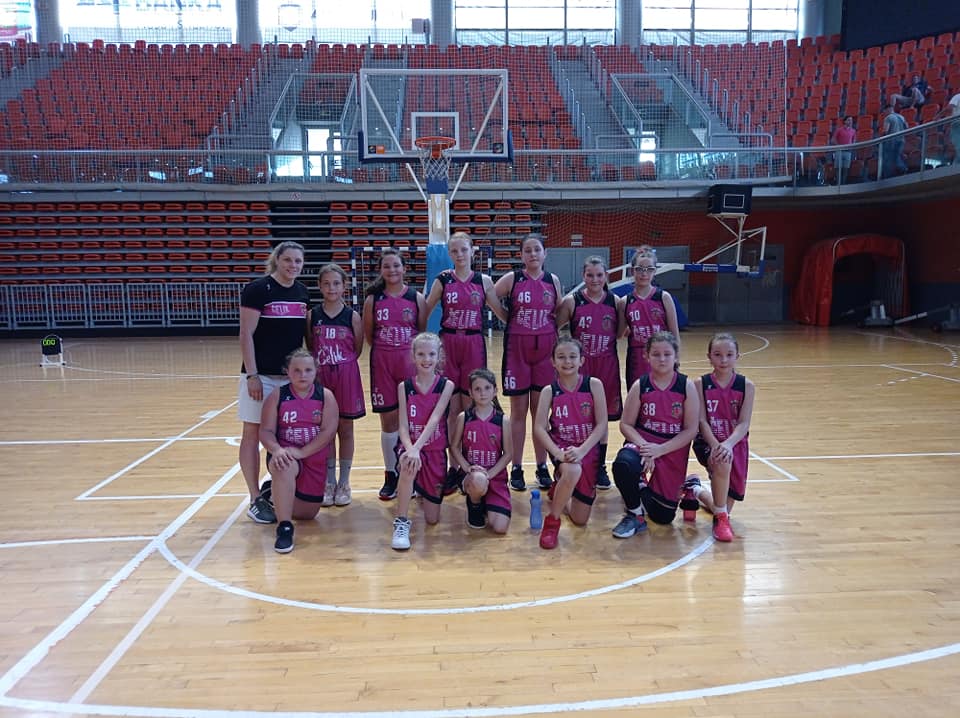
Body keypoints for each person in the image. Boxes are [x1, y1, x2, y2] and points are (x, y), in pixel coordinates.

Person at [424, 231, 507, 491]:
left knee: (472, 407)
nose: (459, 254)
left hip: (473, 343)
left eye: (463, 249)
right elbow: (424, 310)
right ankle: (455, 467)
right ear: (449, 254)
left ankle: (473, 466)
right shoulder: (442, 280)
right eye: (454, 251)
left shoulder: (483, 281)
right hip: (448, 344)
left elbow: (501, 313)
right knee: (451, 410)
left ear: (473, 251)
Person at [238, 240, 310, 525]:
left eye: (298, 261)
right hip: (262, 376)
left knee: (282, 437)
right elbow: (246, 334)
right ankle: (255, 498)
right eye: (288, 260)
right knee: (252, 433)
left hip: (289, 379)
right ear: (277, 260)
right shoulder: (258, 289)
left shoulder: (302, 292)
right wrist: (252, 375)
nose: (293, 265)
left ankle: (274, 487)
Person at [610, 331, 699, 538]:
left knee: (662, 516)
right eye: (656, 354)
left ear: (676, 356)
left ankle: (673, 485)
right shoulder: (640, 385)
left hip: (671, 447)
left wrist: (660, 450)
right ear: (646, 356)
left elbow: (691, 430)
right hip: (644, 442)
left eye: (667, 354)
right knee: (624, 464)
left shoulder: (686, 386)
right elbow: (626, 425)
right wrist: (646, 448)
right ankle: (635, 514)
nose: (662, 359)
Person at [494, 233, 563, 493]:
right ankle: (517, 467)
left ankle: (542, 466)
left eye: (537, 250)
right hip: (518, 352)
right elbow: (490, 296)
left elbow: (559, 311)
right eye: (528, 250)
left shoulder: (553, 281)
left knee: (540, 414)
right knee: (518, 413)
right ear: (521, 255)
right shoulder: (512, 279)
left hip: (545, 353)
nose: (533, 254)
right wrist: (506, 317)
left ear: (545, 253)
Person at [258, 349, 339, 553]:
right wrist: (277, 450)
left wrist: (303, 453)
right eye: (297, 370)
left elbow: (328, 432)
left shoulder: (325, 396)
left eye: (308, 370)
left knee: (307, 514)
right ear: (287, 372)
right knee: (283, 465)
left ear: (316, 371)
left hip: (313, 457)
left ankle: (271, 492)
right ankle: (284, 528)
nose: (302, 375)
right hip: (287, 454)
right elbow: (266, 431)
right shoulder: (278, 396)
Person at [362, 248, 427, 502]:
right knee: (388, 422)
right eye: (387, 266)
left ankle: (411, 474)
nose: (392, 270)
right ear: (381, 270)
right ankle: (391, 474)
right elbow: (369, 335)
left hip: (408, 363)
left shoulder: (416, 298)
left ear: (404, 268)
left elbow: (420, 333)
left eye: (396, 265)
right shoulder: (373, 300)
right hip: (383, 363)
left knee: (411, 421)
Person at [532, 335, 607, 550]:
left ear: (581, 360)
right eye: (561, 357)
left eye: (573, 356)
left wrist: (582, 450)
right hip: (563, 448)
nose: (567, 362)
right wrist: (557, 453)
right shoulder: (549, 391)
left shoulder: (594, 385)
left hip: (587, 449)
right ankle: (552, 521)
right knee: (572, 470)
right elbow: (539, 428)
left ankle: (560, 489)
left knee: (580, 519)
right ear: (553, 362)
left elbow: (602, 424)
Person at [556, 255, 624, 490]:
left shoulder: (616, 302)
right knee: (579, 415)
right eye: (590, 275)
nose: (595, 279)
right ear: (583, 276)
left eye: (599, 275)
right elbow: (556, 329)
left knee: (602, 418)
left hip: (607, 365)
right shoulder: (571, 301)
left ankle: (599, 467)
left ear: (606, 276)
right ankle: (571, 460)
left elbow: (620, 332)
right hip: (580, 366)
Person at [682, 333, 756, 542]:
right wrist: (716, 445)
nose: (723, 360)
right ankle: (721, 520)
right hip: (708, 441)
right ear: (709, 357)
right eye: (717, 354)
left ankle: (694, 489)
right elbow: (701, 421)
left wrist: (728, 444)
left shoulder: (746, 386)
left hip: (735, 443)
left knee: (721, 504)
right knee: (722, 463)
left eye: (729, 355)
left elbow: (744, 424)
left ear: (737, 356)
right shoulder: (700, 384)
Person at [390, 332, 456, 551]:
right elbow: (402, 426)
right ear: (413, 356)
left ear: (439, 356)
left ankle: (419, 489)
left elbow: (435, 418)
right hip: (410, 447)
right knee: (408, 464)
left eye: (431, 354)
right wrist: (410, 449)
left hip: (434, 449)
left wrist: (417, 448)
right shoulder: (404, 387)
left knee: (432, 519)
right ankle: (401, 522)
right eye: (421, 354)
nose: (426, 359)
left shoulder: (446, 385)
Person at [307, 263, 365, 507]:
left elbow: (358, 348)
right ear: (320, 286)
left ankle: (344, 482)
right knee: (326, 430)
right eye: (327, 283)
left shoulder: (352, 316)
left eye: (336, 283)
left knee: (346, 428)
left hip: (346, 375)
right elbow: (311, 346)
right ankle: (329, 481)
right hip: (322, 378)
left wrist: (341, 362)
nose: (332, 288)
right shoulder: (312, 315)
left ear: (344, 286)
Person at [449, 368, 514, 534]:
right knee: (478, 480)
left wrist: (490, 474)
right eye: (477, 389)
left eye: (487, 388)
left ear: (495, 391)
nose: (482, 393)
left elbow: (508, 454)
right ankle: (475, 503)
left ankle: (486, 500)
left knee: (500, 528)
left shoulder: (503, 420)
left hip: (495, 475)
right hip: (472, 475)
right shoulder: (464, 417)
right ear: (470, 393)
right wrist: (466, 467)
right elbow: (454, 446)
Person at [622, 246, 681, 389]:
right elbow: (620, 332)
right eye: (640, 269)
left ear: (655, 271)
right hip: (637, 358)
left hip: (662, 356)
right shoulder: (625, 301)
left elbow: (674, 333)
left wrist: (676, 359)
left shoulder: (663, 297)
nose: (644, 273)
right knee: (638, 395)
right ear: (632, 271)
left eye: (649, 269)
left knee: (663, 395)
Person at [880, 104, 908, 178]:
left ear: (887, 110)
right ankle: (901, 170)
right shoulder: (901, 117)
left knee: (890, 158)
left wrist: (881, 138)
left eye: (884, 111)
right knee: (898, 155)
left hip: (892, 141)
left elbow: (885, 131)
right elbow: (906, 127)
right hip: (901, 139)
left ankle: (889, 175)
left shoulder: (888, 117)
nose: (884, 113)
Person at [935, 89, 960, 165]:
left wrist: (938, 116)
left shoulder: (957, 96)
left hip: (957, 123)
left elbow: (950, 107)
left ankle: (956, 164)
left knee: (957, 145)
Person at [831, 115, 856, 184]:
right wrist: (839, 146)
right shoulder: (839, 130)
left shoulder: (853, 131)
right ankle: (838, 184)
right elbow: (833, 140)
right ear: (845, 121)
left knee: (846, 169)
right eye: (849, 120)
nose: (850, 121)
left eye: (851, 120)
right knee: (838, 168)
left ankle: (843, 184)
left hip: (848, 152)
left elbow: (854, 141)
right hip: (839, 151)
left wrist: (851, 146)